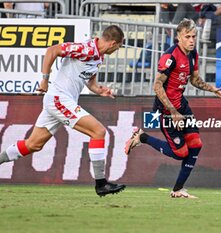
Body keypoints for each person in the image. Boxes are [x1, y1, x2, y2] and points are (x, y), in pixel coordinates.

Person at [0, 25, 126, 197]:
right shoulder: (85, 49)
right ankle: (101, 184)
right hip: (59, 98)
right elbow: (53, 50)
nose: (117, 50)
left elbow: (90, 83)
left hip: (60, 101)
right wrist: (44, 80)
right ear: (113, 43)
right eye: (118, 47)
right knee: (98, 131)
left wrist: (100, 90)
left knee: (33, 144)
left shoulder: (98, 57)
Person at [124, 18, 221, 199]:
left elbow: (194, 80)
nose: (191, 40)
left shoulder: (193, 54)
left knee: (196, 144)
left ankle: (178, 189)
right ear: (178, 37)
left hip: (182, 105)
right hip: (166, 109)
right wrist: (173, 112)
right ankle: (142, 137)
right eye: (187, 36)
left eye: (194, 36)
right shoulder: (170, 57)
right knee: (180, 153)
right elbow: (157, 86)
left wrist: (212, 89)